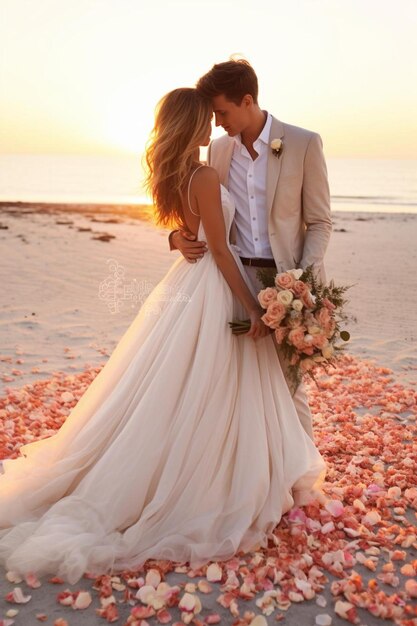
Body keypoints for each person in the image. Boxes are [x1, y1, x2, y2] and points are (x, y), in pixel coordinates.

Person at [0, 88, 326, 586]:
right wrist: (250, 308)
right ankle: (234, 481)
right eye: (207, 117)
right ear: (192, 122)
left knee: (196, 384)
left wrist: (180, 237)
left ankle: (268, 471)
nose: (216, 125)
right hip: (218, 285)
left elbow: (187, 229)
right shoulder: (206, 170)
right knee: (220, 385)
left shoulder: (174, 172)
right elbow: (218, 250)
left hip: (190, 284)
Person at [168, 60, 332, 439]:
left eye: (222, 112)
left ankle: (301, 480)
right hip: (232, 280)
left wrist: (299, 281)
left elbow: (320, 222)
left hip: (289, 281)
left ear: (247, 100)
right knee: (244, 387)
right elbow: (203, 213)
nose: (217, 122)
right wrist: (176, 238)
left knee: (288, 386)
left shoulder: (304, 143)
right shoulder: (219, 151)